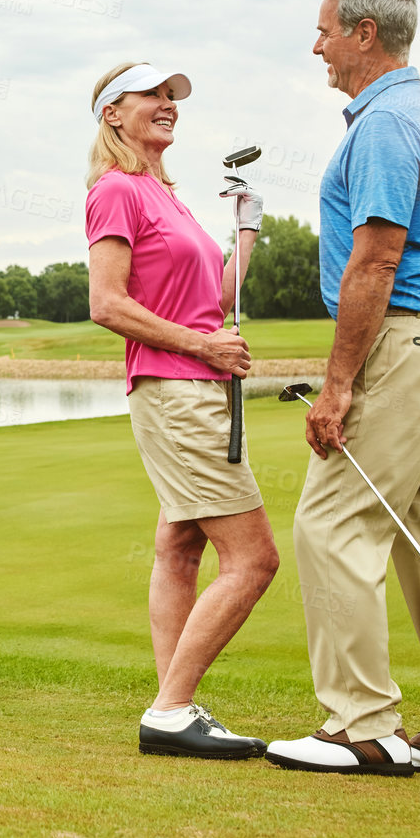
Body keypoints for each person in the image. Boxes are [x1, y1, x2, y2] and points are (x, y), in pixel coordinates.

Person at [264, 0, 420, 779]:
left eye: (326, 30)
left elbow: (375, 260)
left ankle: (361, 727)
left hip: (403, 345)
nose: (317, 45)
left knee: (331, 527)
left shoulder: (384, 124)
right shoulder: (416, 114)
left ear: (365, 33)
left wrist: (337, 384)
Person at [84, 60, 278, 760]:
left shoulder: (164, 194)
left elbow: (212, 300)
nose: (168, 104)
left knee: (179, 545)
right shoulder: (116, 190)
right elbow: (107, 304)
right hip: (176, 389)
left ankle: (176, 706)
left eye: (173, 96)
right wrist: (206, 349)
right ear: (112, 113)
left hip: (191, 383)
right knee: (253, 560)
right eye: (152, 95)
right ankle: (169, 711)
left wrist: (246, 231)